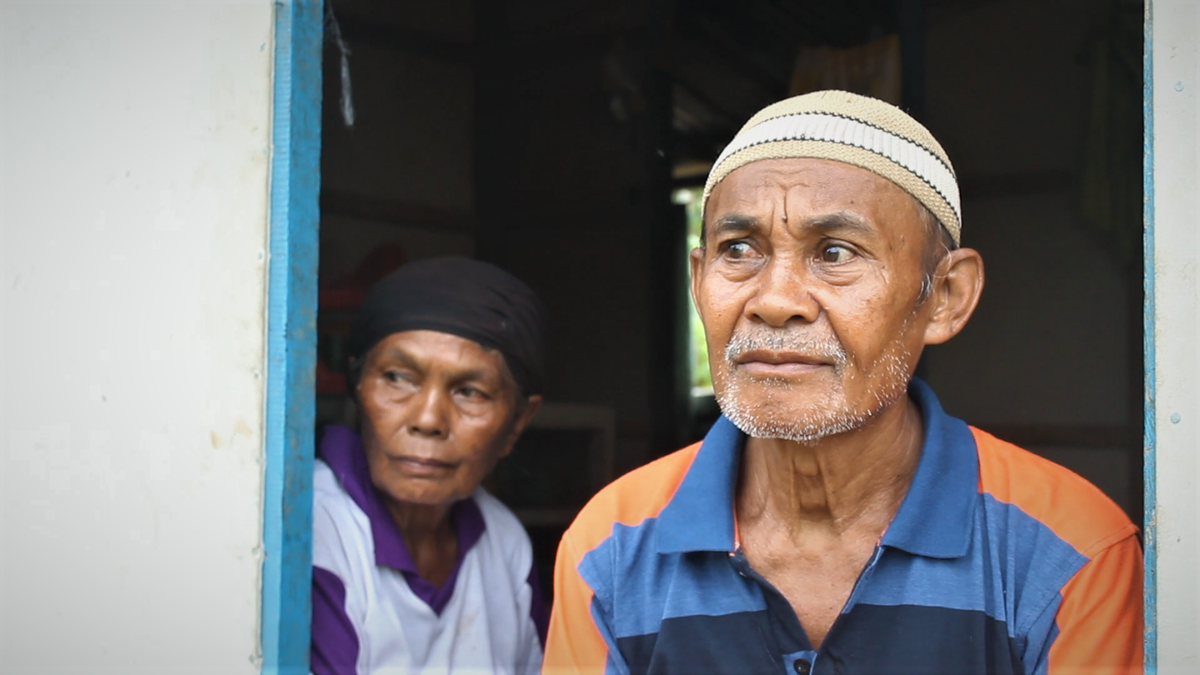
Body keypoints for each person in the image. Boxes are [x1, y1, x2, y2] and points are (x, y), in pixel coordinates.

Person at [543, 91, 1143, 675]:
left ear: (946, 297)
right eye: (739, 249)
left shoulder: (1068, 552)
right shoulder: (612, 544)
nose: (774, 302)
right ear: (700, 281)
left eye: (835, 252)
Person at [312, 256, 550, 675]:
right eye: (398, 378)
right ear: (358, 386)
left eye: (470, 392)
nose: (427, 420)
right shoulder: (314, 528)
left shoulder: (502, 537)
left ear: (517, 423)